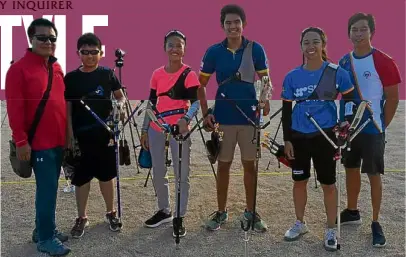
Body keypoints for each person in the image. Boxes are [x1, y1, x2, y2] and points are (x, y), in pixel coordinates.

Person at [197, 4, 271, 232]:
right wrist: (205, 113)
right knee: (224, 166)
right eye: (228, 23)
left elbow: (265, 80)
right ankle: (221, 212)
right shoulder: (213, 51)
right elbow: (200, 85)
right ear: (222, 26)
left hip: (249, 119)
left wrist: (265, 100)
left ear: (243, 24)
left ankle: (251, 211)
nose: (233, 26)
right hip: (223, 119)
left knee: (251, 167)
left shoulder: (255, 49)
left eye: (236, 22)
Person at [280, 27, 355, 252]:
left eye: (315, 42)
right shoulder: (292, 76)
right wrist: (288, 140)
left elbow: (349, 99)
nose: (310, 47)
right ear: (301, 46)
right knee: (299, 181)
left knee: (328, 184)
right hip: (299, 136)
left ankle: (331, 228)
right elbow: (286, 110)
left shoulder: (336, 72)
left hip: (325, 136)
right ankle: (300, 223)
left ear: (323, 44)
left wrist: (346, 122)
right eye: (306, 43)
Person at [5, 18, 71, 256]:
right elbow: (14, 109)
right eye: (42, 38)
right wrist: (21, 141)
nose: (48, 42)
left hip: (57, 142)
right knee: (47, 190)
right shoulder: (18, 70)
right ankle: (45, 238)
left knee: (50, 189)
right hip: (38, 144)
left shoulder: (55, 67)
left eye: (52, 38)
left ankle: (43, 229)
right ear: (30, 39)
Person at [338, 12, 402, 248]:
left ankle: (375, 221)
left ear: (371, 32)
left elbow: (393, 98)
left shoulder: (384, 61)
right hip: (350, 130)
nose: (358, 33)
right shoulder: (344, 62)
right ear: (349, 33)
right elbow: (342, 96)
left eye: (363, 29)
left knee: (374, 174)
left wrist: (382, 125)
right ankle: (352, 211)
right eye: (354, 29)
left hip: (373, 129)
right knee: (351, 169)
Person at [64, 33, 126, 238]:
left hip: (105, 133)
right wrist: (69, 135)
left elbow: (120, 96)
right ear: (78, 53)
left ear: (101, 53)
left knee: (107, 176)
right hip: (81, 135)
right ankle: (81, 217)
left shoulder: (108, 74)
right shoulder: (71, 78)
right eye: (85, 52)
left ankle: (111, 212)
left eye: (94, 52)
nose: (90, 56)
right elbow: (68, 109)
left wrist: (121, 105)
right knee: (81, 179)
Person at [140, 29, 200, 238]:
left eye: (179, 45)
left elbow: (195, 103)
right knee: (158, 171)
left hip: (179, 130)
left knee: (182, 174)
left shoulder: (189, 73)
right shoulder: (157, 73)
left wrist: (186, 120)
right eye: (171, 45)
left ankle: (179, 216)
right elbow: (151, 103)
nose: (175, 49)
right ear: (165, 48)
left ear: (184, 48)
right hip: (158, 128)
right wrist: (145, 129)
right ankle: (164, 210)